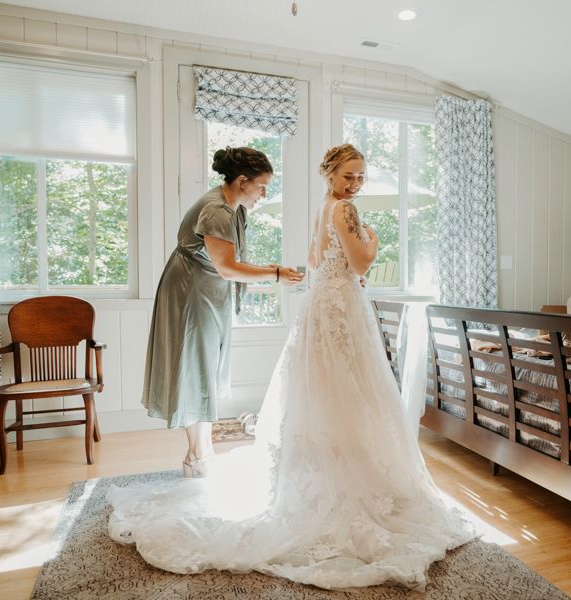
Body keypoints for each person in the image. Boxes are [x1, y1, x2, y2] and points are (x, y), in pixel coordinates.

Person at [109, 144, 477, 591]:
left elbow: (314, 261)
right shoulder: (330, 211)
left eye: (361, 176)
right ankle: (201, 456)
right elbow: (357, 262)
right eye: (349, 176)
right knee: (330, 385)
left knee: (323, 387)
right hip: (222, 295)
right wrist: (372, 242)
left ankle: (207, 456)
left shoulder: (322, 206)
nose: (356, 184)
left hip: (319, 301)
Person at [141, 146, 304, 477]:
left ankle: (201, 451)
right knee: (194, 369)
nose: (264, 193)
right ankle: (197, 456)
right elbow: (228, 268)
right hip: (191, 292)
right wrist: (275, 272)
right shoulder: (217, 210)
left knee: (205, 369)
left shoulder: (233, 207)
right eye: (262, 185)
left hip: (204, 290)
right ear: (243, 181)